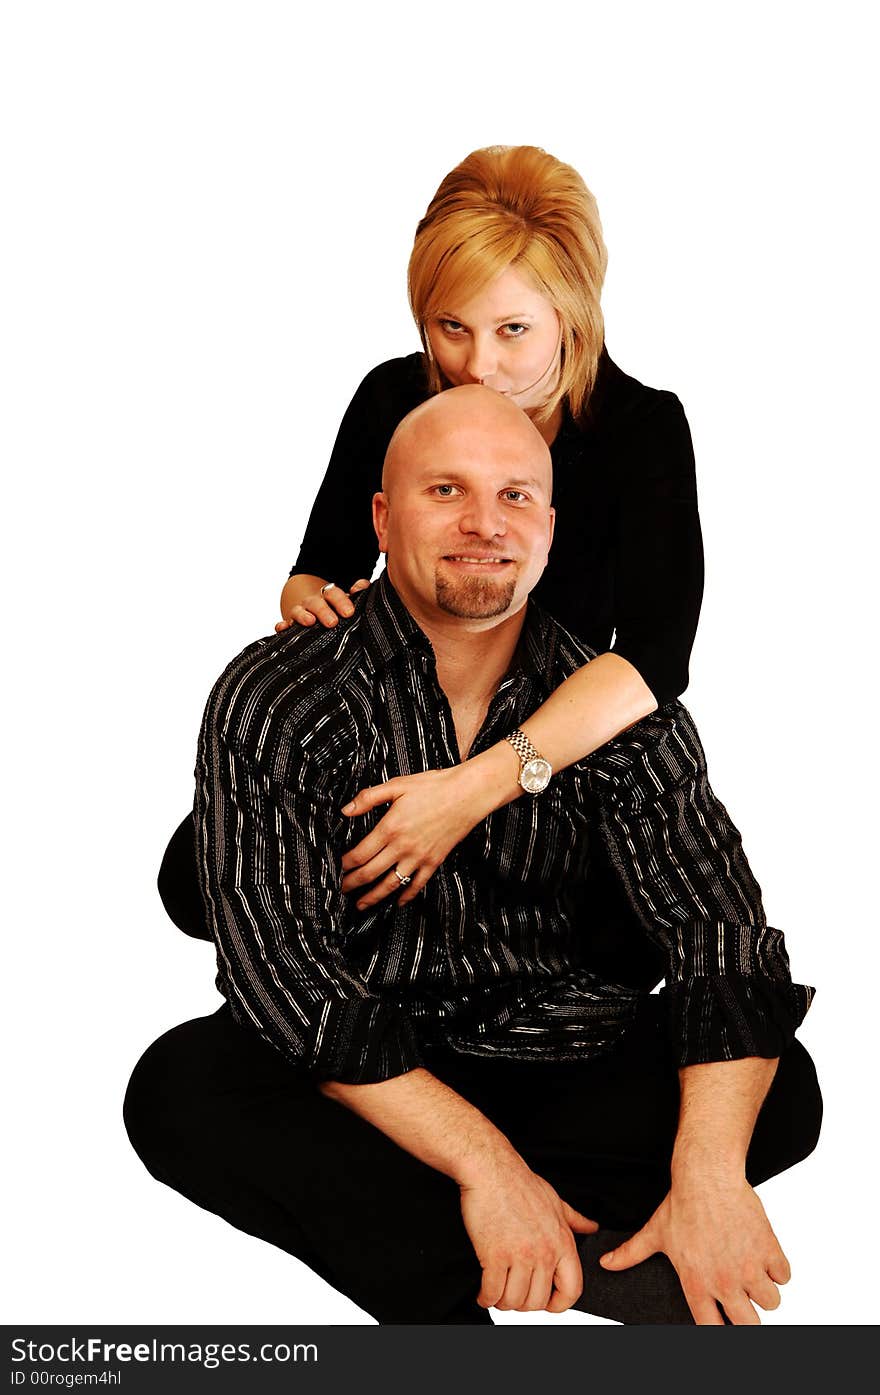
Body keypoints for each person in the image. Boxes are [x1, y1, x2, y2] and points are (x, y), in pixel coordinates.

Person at [125, 387, 821, 1327]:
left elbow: (720, 930)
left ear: (552, 525)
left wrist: (708, 1175)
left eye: (516, 497)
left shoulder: (607, 704)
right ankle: (523, 1270)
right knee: (181, 1088)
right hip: (372, 1078)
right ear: (381, 515)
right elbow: (287, 981)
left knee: (780, 1093)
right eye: (446, 490)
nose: (485, 524)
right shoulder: (280, 691)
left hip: (545, 1047)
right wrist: (485, 1165)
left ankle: (500, 1226)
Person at [157, 144, 703, 958]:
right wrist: (307, 603)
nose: (477, 366)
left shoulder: (644, 430)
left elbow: (657, 659)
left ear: (573, 315)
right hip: (402, 724)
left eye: (513, 330)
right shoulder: (391, 395)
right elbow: (320, 566)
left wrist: (472, 789)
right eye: (452, 328)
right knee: (200, 874)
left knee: (627, 923)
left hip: (552, 757)